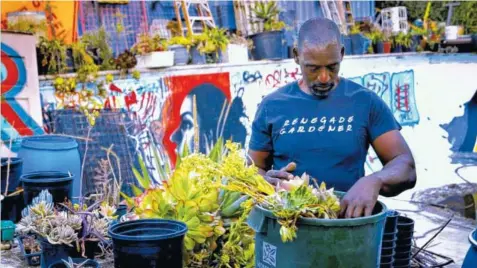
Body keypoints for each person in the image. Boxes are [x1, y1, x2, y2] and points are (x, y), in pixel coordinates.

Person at [248, 17, 417, 218]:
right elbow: (254, 168)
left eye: (332, 67)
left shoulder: (364, 102)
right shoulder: (272, 106)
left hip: (348, 227)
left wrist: (375, 180)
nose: (324, 78)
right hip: (289, 228)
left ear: (342, 54)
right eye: (313, 68)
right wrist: (264, 181)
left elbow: (405, 165)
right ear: (296, 56)